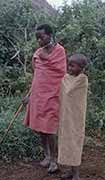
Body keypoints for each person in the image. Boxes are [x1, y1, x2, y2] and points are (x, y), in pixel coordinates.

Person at [23, 24, 67, 173]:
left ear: (49, 35)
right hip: (37, 96)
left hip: (53, 95)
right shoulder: (37, 53)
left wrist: (46, 58)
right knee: (40, 128)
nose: (39, 40)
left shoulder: (59, 51)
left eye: (41, 37)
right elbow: (37, 75)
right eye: (37, 38)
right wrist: (29, 94)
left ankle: (54, 161)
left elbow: (61, 71)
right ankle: (47, 155)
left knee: (50, 129)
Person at [57, 54, 88, 180]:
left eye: (72, 65)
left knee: (75, 142)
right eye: (68, 64)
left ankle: (76, 174)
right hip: (65, 117)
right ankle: (70, 171)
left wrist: (65, 80)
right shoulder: (67, 77)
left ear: (81, 68)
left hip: (76, 118)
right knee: (66, 141)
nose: (69, 68)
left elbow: (69, 90)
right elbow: (62, 93)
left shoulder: (82, 79)